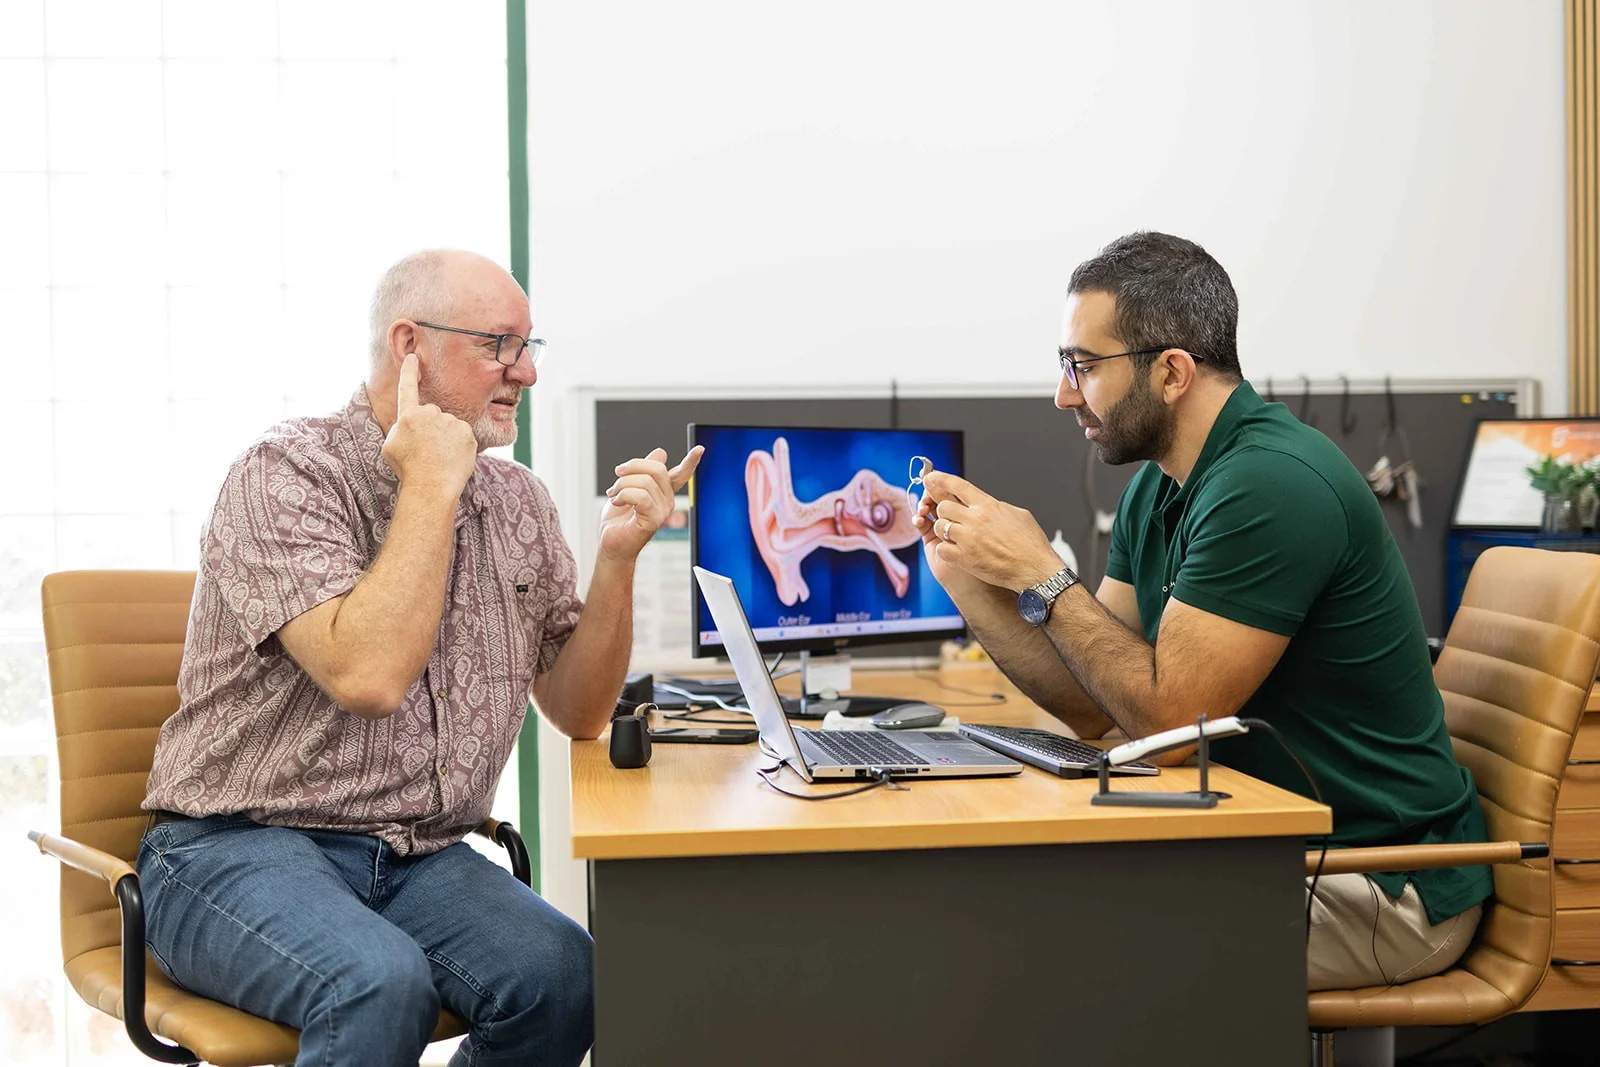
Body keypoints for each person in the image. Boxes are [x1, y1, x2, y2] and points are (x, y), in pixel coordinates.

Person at [139, 249, 701, 1066]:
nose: (526, 373)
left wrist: (618, 560)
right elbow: (369, 678)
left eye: (529, 347)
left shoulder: (520, 503)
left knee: (566, 974)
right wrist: (432, 485)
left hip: (414, 855)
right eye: (500, 345)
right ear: (410, 345)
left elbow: (578, 711)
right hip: (232, 849)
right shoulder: (285, 472)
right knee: (378, 982)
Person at [913, 231, 1491, 991]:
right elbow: (1097, 704)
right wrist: (964, 576)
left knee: (1049, 948)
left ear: (1172, 372)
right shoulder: (1161, 485)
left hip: (1381, 881)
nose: (1063, 394)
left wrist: (1041, 573)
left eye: (1081, 366)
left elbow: (1169, 727)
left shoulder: (1269, 483)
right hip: (1277, 848)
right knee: (1024, 911)